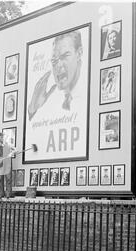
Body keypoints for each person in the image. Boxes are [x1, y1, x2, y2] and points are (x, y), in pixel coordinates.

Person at [26, 29, 88, 161]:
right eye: (54, 61)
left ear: (79, 53)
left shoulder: (87, 93)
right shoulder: (51, 98)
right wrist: (32, 109)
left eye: (65, 56)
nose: (58, 66)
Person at [0, 132, 16, 199]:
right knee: (0, 179)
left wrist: (11, 153)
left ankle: (8, 194)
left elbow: (15, 149)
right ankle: (1, 194)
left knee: (8, 178)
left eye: (1, 137)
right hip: (0, 162)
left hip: (7, 162)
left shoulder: (8, 144)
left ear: (3, 137)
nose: (0, 138)